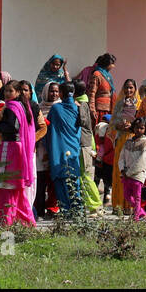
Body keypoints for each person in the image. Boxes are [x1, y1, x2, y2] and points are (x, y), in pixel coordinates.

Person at [0, 81, 37, 226]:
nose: (7, 94)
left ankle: (7, 219)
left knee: (6, 185)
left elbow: (12, 127)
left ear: (17, 92)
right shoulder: (23, 107)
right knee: (17, 187)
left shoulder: (11, 107)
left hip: (10, 147)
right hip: (19, 148)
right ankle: (24, 219)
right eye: (5, 91)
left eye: (10, 91)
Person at [46, 83, 83, 215]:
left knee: (60, 179)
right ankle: (77, 210)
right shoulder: (79, 108)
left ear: (61, 93)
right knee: (73, 178)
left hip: (59, 148)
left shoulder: (56, 108)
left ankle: (66, 210)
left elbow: (48, 127)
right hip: (73, 147)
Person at [71, 80, 103, 214]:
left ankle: (95, 205)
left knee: (86, 176)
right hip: (85, 142)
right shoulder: (83, 101)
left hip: (84, 143)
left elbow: (83, 121)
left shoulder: (82, 103)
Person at [109, 78, 141, 210]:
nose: (128, 90)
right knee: (120, 171)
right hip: (122, 140)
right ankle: (119, 204)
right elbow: (113, 123)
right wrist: (120, 125)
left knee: (133, 171)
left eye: (131, 88)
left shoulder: (139, 104)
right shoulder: (119, 104)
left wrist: (133, 127)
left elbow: (142, 121)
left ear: (135, 89)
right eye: (126, 87)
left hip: (135, 141)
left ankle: (132, 205)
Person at [33, 82, 62, 216]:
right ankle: (38, 208)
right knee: (40, 179)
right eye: (52, 91)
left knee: (54, 180)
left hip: (56, 148)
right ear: (45, 92)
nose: (54, 94)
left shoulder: (61, 108)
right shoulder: (38, 108)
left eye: (56, 91)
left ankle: (52, 207)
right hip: (41, 148)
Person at [87, 53, 116, 125]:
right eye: (112, 64)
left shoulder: (108, 76)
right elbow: (92, 93)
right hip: (98, 110)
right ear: (107, 63)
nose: (113, 66)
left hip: (108, 109)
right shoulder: (97, 74)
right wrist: (92, 109)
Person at [93, 120, 115, 205]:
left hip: (104, 162)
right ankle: (106, 198)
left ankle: (96, 198)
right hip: (108, 162)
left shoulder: (101, 143)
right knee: (107, 182)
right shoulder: (111, 134)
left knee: (98, 180)